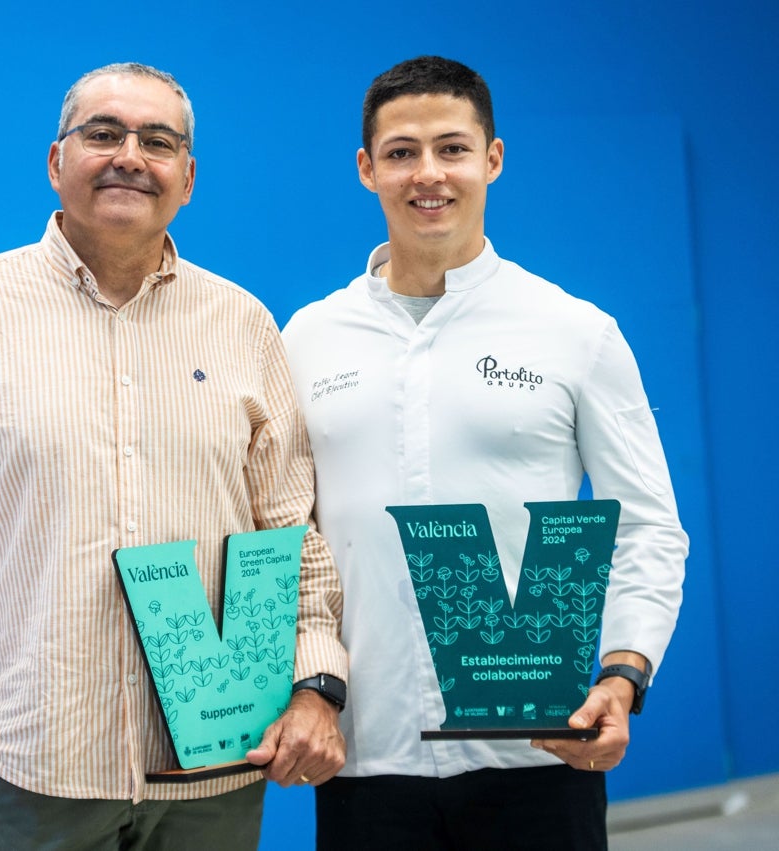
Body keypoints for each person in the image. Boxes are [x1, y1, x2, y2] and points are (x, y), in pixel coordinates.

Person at [0, 62, 348, 851]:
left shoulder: (243, 322)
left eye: (157, 141)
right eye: (103, 133)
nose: (130, 154)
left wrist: (318, 686)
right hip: (40, 765)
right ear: (56, 161)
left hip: (216, 769)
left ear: (187, 178)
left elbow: (292, 529)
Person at [281, 56, 687, 850]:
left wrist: (622, 672)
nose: (428, 174)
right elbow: (290, 536)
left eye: (452, 148)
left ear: (492, 159)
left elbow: (648, 524)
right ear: (367, 170)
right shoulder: (306, 337)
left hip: (537, 747)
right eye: (401, 152)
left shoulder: (575, 332)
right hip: (367, 755)